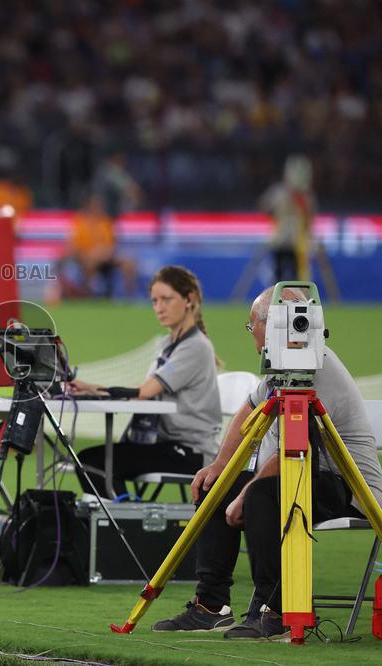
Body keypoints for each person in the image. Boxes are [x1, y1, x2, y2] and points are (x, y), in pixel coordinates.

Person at [153, 286, 382, 639]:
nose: (253, 337)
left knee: (261, 494)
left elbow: (298, 447)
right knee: (219, 485)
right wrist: (218, 467)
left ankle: (274, 609)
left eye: (251, 327)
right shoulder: (285, 365)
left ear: (271, 324)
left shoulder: (316, 367)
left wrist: (245, 492)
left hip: (349, 486)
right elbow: (246, 416)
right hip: (306, 471)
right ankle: (210, 606)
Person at [67, 265, 222, 499]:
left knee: (95, 462)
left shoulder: (195, 347)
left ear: (189, 299)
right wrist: (89, 388)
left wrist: (95, 390)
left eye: (166, 299)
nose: (159, 308)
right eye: (154, 301)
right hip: (167, 444)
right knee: (92, 460)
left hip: (190, 451)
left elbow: (142, 393)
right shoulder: (167, 345)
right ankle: (125, 521)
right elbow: (142, 391)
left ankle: (125, 530)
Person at [259, 154, 315, 282]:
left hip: (297, 242)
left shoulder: (306, 195)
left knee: (297, 277)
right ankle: (276, 300)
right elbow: (263, 206)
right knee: (277, 275)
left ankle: (296, 300)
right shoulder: (279, 191)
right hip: (280, 239)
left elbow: (310, 215)